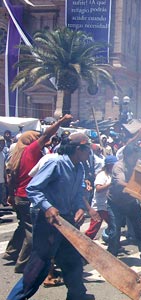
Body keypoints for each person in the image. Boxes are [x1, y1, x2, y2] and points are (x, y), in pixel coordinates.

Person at [6, 132, 95, 300]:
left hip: (66, 220)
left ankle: (78, 296)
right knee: (40, 264)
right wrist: (48, 207)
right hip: (47, 220)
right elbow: (33, 188)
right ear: (78, 149)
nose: (89, 153)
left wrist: (80, 208)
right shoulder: (56, 163)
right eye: (87, 149)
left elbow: (77, 193)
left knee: (72, 260)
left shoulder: (80, 167)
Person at [3, 114, 72, 274]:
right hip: (28, 198)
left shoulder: (17, 154)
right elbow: (47, 134)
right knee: (32, 233)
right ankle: (22, 264)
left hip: (19, 196)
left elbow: (11, 178)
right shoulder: (30, 151)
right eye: (36, 138)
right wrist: (61, 121)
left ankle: (11, 252)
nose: (39, 140)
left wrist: (11, 195)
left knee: (22, 225)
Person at [106, 144, 141, 262]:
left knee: (139, 227)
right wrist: (137, 188)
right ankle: (112, 256)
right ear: (127, 156)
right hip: (115, 203)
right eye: (133, 157)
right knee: (115, 230)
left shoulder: (138, 164)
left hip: (130, 202)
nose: (136, 159)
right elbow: (120, 183)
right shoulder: (119, 166)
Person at [84, 155, 117, 240]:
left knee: (114, 225)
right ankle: (84, 242)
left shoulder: (112, 174)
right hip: (100, 206)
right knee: (93, 229)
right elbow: (98, 189)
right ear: (109, 165)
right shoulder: (102, 175)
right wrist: (110, 184)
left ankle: (113, 242)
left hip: (108, 206)